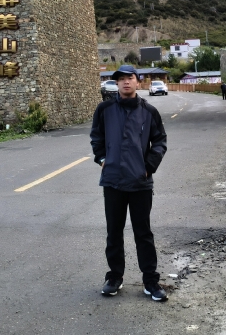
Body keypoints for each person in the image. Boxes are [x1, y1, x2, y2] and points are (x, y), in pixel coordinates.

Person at [90, 64, 169, 302]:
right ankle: (114, 277)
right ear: (117, 83)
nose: (125, 82)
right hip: (113, 181)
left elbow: (160, 141)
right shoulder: (104, 109)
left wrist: (148, 167)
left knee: (143, 232)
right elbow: (97, 137)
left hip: (139, 183)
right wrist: (102, 158)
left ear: (138, 82)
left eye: (130, 78)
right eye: (121, 79)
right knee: (114, 232)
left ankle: (150, 281)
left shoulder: (149, 111)